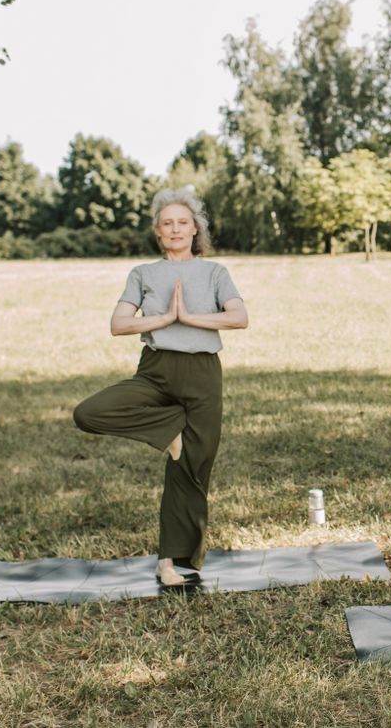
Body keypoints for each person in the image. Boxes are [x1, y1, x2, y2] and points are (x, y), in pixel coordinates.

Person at [73, 188, 248, 586]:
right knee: (88, 412)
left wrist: (190, 316)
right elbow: (119, 324)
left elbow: (239, 317)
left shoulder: (214, 272)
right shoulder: (143, 274)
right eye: (167, 223)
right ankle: (168, 431)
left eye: (182, 222)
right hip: (155, 371)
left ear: (195, 229)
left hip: (203, 375)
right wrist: (166, 318)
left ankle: (168, 563)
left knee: (191, 470)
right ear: (157, 231)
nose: (175, 229)